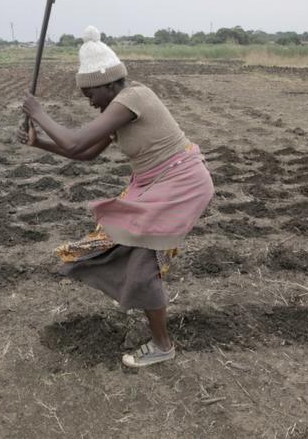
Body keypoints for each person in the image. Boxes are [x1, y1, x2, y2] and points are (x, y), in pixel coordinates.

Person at [17, 25, 214, 367]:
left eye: (91, 95)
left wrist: (38, 113)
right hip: (159, 185)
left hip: (181, 185)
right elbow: (84, 154)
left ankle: (162, 345)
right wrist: (40, 143)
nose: (90, 102)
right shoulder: (117, 111)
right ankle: (149, 318)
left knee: (143, 263)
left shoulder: (133, 97)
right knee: (133, 254)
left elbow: (76, 141)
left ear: (108, 84)